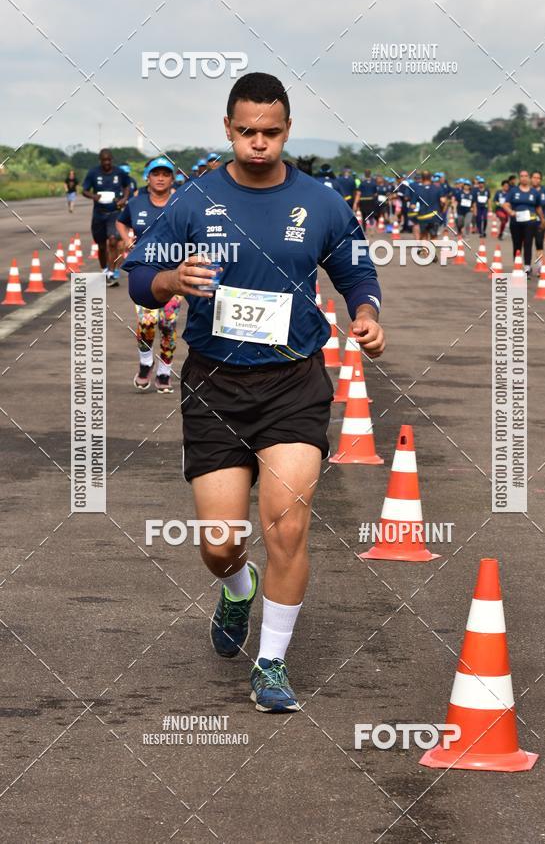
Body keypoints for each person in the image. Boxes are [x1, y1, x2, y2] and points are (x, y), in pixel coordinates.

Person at [122, 72, 384, 713]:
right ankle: (237, 587)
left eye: (271, 132)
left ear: (287, 130)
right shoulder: (193, 200)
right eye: (247, 132)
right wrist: (169, 281)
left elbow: (356, 270)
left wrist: (368, 312)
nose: (259, 143)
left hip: (295, 382)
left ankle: (270, 663)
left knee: (287, 528)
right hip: (214, 383)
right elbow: (137, 278)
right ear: (228, 129)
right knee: (218, 543)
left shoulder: (321, 202)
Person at [116, 157, 182, 393]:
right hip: (143, 270)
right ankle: (146, 363)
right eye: (156, 174)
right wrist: (127, 241)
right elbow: (121, 222)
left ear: (172, 178)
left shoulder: (181, 202)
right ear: (148, 177)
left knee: (168, 324)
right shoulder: (136, 203)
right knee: (147, 323)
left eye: (166, 174)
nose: (161, 178)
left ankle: (164, 372)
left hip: (173, 271)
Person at [82, 149, 130, 286]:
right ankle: (104, 270)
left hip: (114, 212)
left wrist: (124, 198)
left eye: (109, 160)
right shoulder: (93, 173)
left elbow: (126, 186)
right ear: (100, 160)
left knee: (113, 241)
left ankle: (111, 272)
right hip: (99, 213)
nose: (107, 162)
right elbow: (84, 190)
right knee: (102, 246)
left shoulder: (119, 172)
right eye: (104, 160)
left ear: (112, 160)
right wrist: (93, 196)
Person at [503, 169, 543, 275]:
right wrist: (510, 212)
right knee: (517, 244)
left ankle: (527, 266)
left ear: (529, 178)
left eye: (526, 176)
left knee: (528, 243)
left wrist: (542, 220)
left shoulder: (534, 192)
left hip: (530, 222)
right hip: (516, 222)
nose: (524, 178)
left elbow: (538, 207)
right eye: (521, 176)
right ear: (519, 178)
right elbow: (505, 204)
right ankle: (517, 265)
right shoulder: (513, 191)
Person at [410, 170, 446, 251]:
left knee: (424, 235)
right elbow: (443, 201)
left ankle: (426, 252)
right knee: (434, 235)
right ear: (431, 178)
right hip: (434, 216)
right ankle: (432, 252)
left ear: (422, 178)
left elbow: (413, 205)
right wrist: (442, 208)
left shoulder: (417, 190)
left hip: (422, 217)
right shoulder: (438, 188)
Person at [531, 170, 545, 275]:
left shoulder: (544, 191)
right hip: (527, 222)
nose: (536, 180)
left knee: (539, 244)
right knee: (527, 244)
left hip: (541, 222)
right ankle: (526, 266)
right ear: (531, 179)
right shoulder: (526, 190)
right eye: (534, 177)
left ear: (541, 180)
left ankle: (539, 267)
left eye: (538, 178)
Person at [473, 176, 490, 240]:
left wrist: (490, 207)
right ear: (478, 184)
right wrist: (475, 209)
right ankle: (480, 232)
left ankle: (484, 230)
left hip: (485, 207)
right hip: (478, 207)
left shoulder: (487, 190)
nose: (481, 184)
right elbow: (474, 201)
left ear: (484, 184)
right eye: (479, 183)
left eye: (482, 183)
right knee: (479, 219)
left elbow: (489, 199)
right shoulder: (475, 191)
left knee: (485, 219)